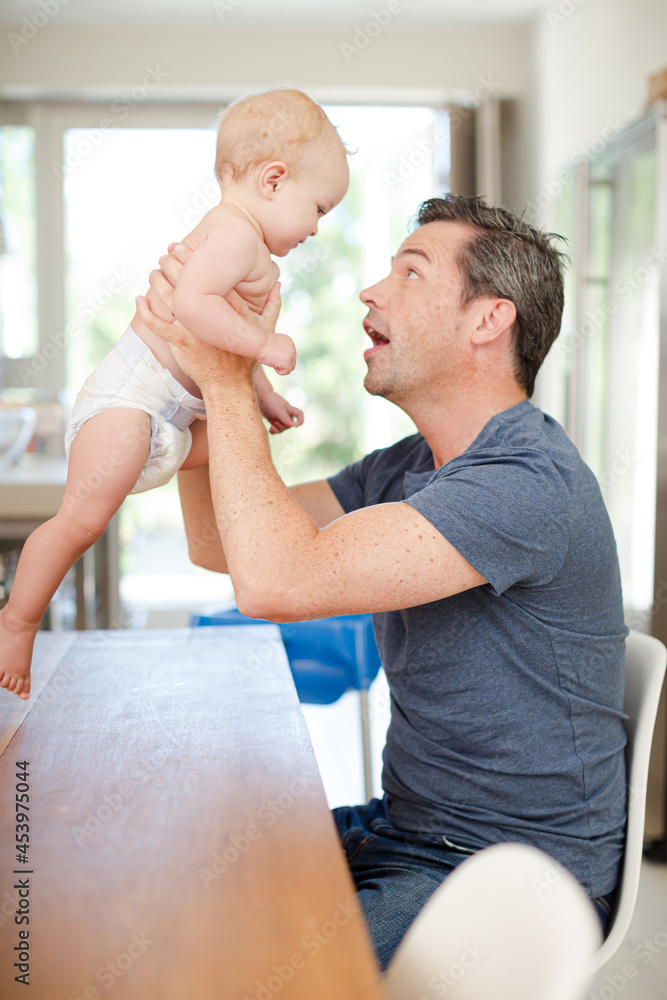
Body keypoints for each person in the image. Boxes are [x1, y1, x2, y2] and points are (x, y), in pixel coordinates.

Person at [140, 194, 628, 972]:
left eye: (409, 272)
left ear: (486, 321)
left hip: (512, 873)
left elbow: (274, 584)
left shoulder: (525, 482)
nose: (371, 291)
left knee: (243, 975)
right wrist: (200, 383)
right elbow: (219, 546)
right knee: (161, 897)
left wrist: (231, 377)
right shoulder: (409, 464)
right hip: (409, 828)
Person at [0, 88, 349, 700]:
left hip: (171, 419)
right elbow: (192, 307)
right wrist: (267, 348)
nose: (318, 228)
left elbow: (224, 348)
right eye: (318, 207)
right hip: (128, 404)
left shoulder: (247, 247)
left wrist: (260, 391)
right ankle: (18, 620)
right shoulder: (235, 236)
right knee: (80, 523)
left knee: (234, 451)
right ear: (274, 180)